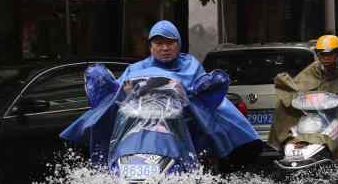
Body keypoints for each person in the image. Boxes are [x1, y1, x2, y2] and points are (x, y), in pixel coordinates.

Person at [61, 20, 260, 170]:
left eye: (170, 43)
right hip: (139, 134)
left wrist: (188, 95)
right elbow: (116, 98)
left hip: (181, 130)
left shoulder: (191, 66)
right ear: (150, 47)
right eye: (159, 43)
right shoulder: (135, 69)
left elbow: (201, 96)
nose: (165, 48)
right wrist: (118, 90)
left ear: (179, 44)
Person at [268, 34, 338, 165]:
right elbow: (299, 85)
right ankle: (284, 147)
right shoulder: (312, 70)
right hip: (315, 114)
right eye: (322, 54)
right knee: (283, 105)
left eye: (330, 54)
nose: (326, 57)